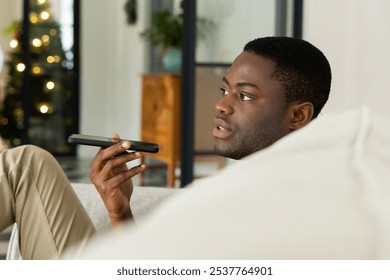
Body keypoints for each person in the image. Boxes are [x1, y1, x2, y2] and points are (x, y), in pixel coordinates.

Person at [0, 36, 331, 259]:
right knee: (28, 164)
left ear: (298, 115)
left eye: (244, 95)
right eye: (224, 89)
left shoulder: (293, 205)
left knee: (23, 166)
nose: (221, 105)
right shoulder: (242, 186)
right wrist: (119, 211)